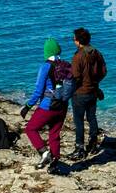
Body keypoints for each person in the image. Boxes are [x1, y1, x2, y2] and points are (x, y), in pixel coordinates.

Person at [20, 38, 73, 172]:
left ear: (46, 52)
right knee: (54, 133)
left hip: (48, 105)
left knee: (30, 129)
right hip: (63, 105)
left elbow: (38, 91)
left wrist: (27, 106)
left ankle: (44, 153)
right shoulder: (67, 65)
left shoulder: (45, 67)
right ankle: (55, 164)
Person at [69, 28, 105, 158]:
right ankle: (93, 143)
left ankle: (79, 148)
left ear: (78, 41)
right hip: (93, 91)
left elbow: (75, 76)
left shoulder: (78, 56)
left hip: (80, 93)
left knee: (79, 121)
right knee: (92, 117)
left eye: (74, 39)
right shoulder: (96, 53)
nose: (73, 41)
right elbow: (103, 71)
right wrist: (95, 83)